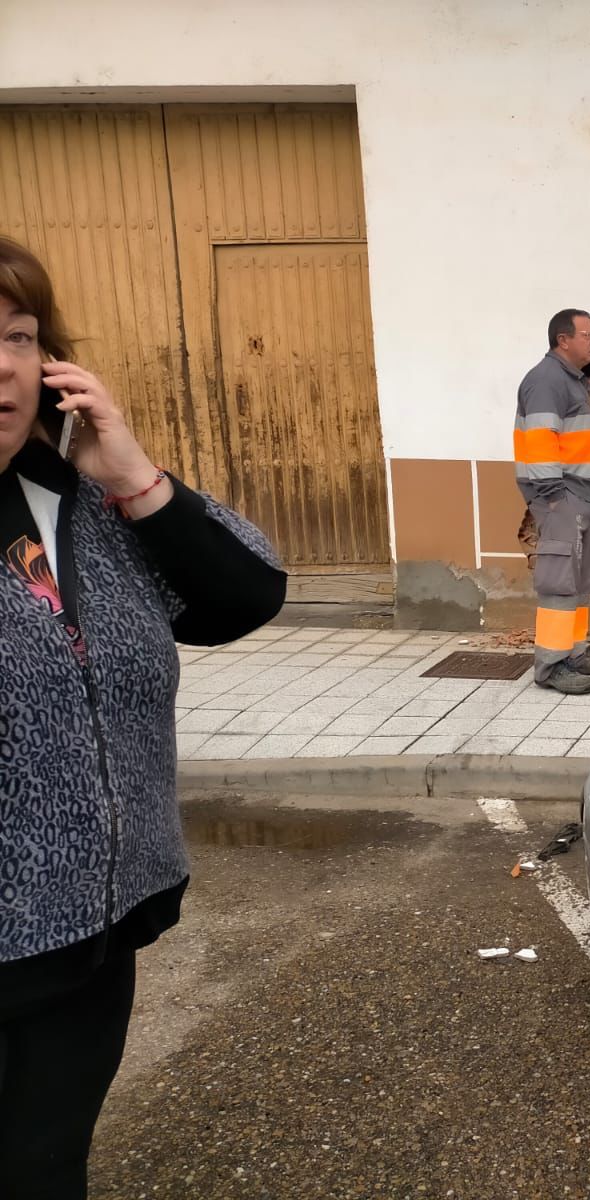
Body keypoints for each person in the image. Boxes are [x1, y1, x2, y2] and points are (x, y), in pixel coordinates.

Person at [0, 236, 285, 1197]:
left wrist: (130, 471)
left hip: (89, 937)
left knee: (45, 1166)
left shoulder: (75, 504)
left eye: (19, 336)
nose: (3, 364)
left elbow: (242, 597)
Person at [514, 308, 590, 694]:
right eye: (588, 335)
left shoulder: (579, 383)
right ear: (564, 340)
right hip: (562, 496)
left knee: (578, 580)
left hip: (582, 494)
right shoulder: (545, 381)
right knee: (559, 582)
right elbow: (540, 446)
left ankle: (573, 651)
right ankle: (551, 666)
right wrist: (554, 501)